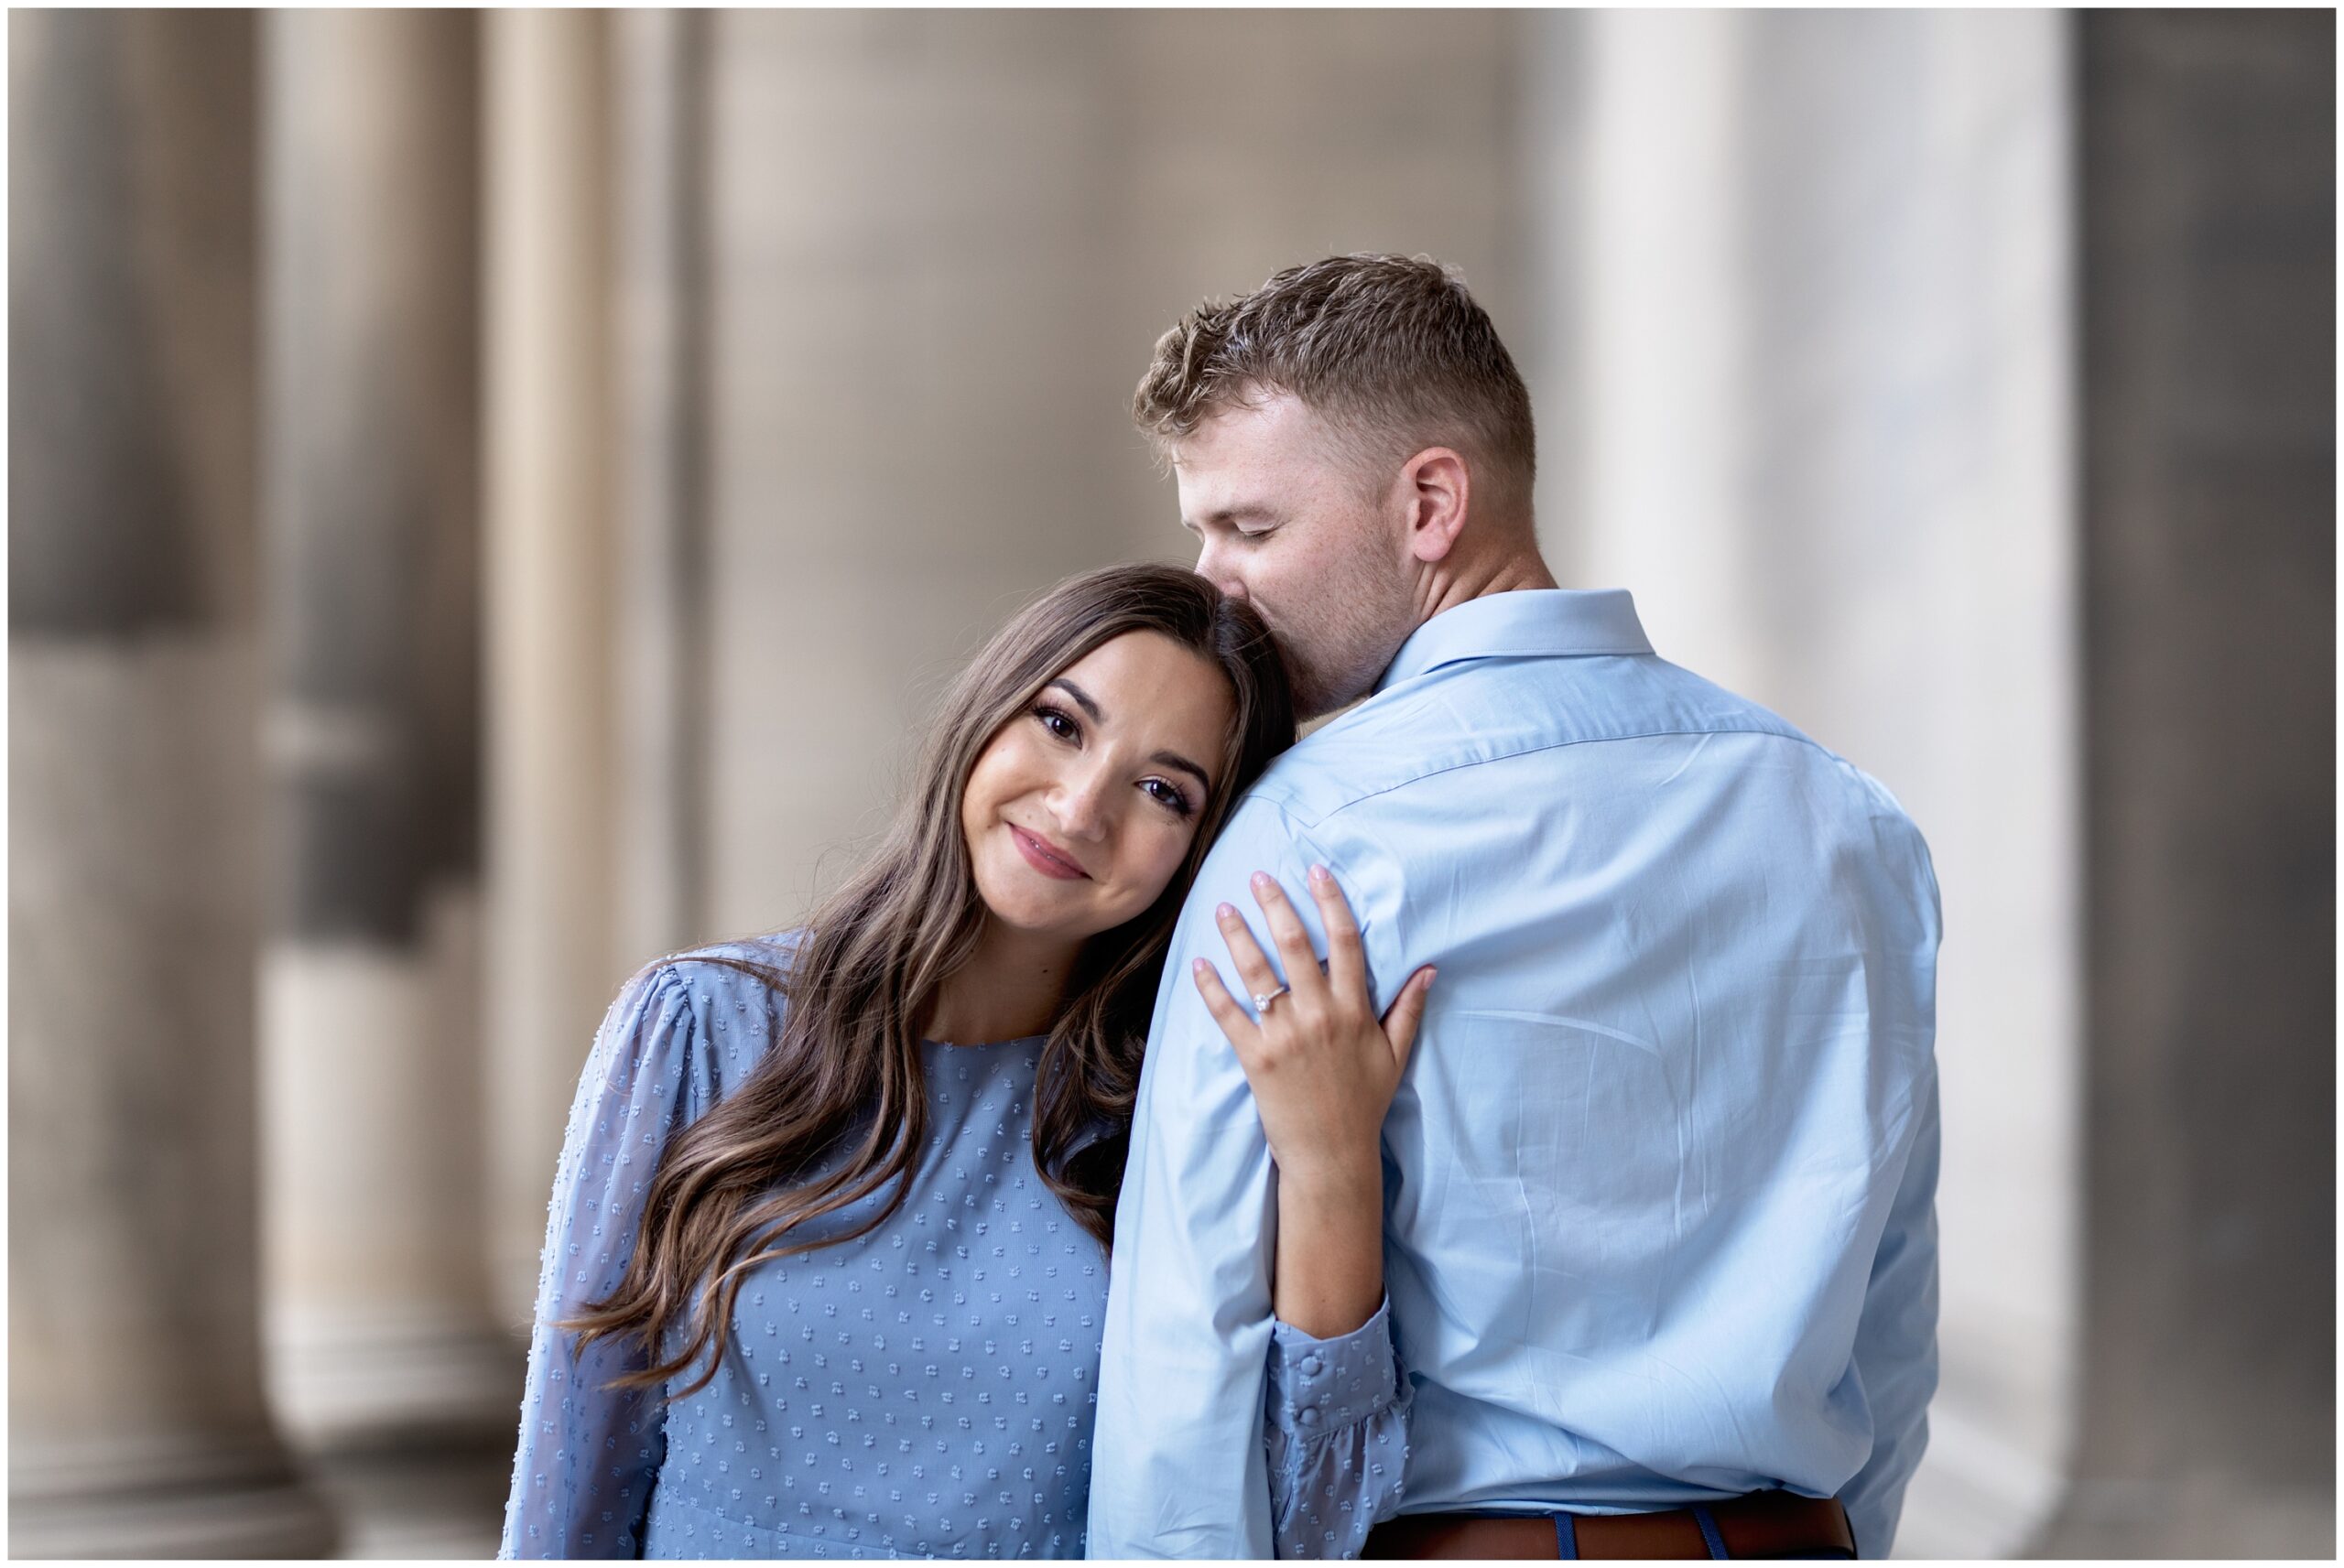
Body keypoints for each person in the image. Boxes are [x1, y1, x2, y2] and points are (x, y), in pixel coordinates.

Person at [1088, 254, 1942, 1561]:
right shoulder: (1850, 821)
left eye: (1251, 529)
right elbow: (1891, 1299)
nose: (1217, 584)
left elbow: (1190, 1360)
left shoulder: (1303, 841)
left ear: (1431, 502)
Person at [498, 564, 1434, 1559]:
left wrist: (1333, 1170)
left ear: (1204, 849)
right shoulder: (697, 1026)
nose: (1079, 809)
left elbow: (1310, 1522)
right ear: (985, 712)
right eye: (1062, 724)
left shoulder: (1180, 1114)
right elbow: (572, 1478)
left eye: (1162, 790)